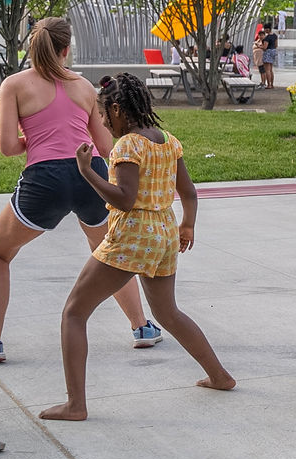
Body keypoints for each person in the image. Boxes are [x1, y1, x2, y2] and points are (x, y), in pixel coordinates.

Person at [39, 75, 234, 421]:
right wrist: (188, 224)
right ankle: (219, 376)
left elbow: (125, 200)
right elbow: (188, 191)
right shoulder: (168, 141)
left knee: (74, 312)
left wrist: (87, 172)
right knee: (168, 313)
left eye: (102, 114)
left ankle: (76, 405)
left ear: (116, 109)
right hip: (164, 234)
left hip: (132, 236)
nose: (101, 121)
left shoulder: (127, 146)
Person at [0, 19, 157, 365]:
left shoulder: (14, 85)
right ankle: (142, 327)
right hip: (91, 174)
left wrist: (37, 139)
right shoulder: (84, 86)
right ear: (67, 49)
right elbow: (104, 144)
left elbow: (8, 146)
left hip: (45, 178)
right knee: (109, 252)